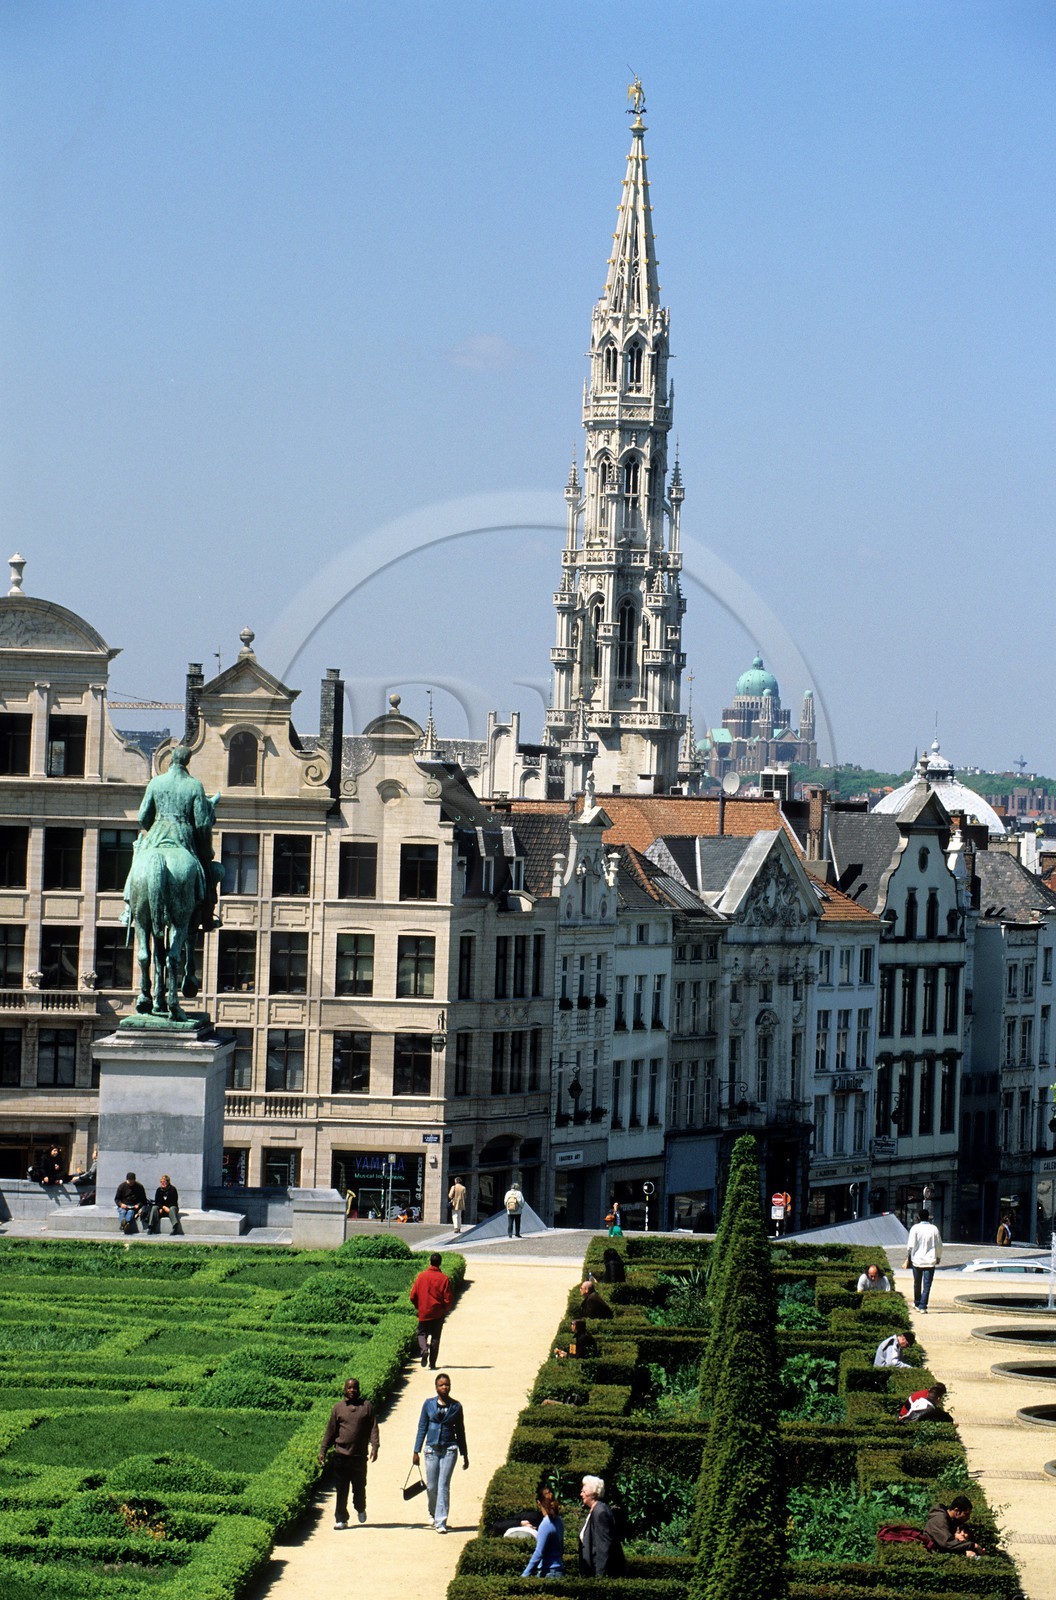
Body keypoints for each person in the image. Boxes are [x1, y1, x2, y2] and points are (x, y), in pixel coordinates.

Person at [318, 1377, 380, 1529]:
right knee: (341, 1488)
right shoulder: (338, 1408)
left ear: (359, 1389)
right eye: (349, 1387)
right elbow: (331, 1431)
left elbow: (373, 1428)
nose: (352, 1390)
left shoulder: (366, 1407)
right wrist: (323, 1450)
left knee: (359, 1487)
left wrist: (375, 1446)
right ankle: (341, 1518)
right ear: (344, 1390)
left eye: (355, 1387)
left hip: (359, 1456)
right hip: (341, 1455)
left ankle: (360, 1507)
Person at [412, 1372, 468, 1534]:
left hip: (449, 1449)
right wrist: (416, 1450)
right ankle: (433, 1512)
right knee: (432, 1486)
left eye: (447, 1384)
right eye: (441, 1385)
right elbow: (422, 1427)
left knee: (443, 1485)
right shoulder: (428, 1404)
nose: (445, 1387)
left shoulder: (456, 1406)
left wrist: (465, 1453)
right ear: (436, 1387)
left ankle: (441, 1521)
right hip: (431, 1449)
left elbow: (460, 1431)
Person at [409, 1251, 453, 1369]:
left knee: (421, 1333)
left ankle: (424, 1349)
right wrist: (445, 1309)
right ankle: (432, 1363)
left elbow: (413, 1295)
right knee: (435, 1337)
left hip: (424, 1311)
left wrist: (419, 1306)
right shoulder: (443, 1278)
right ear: (440, 1263)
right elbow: (448, 1298)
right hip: (437, 1313)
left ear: (430, 1262)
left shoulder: (421, 1276)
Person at [577, 1475, 625, 1576]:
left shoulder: (600, 1512)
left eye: (584, 1492)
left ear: (593, 1494)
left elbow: (603, 1546)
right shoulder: (595, 1510)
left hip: (599, 1572)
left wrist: (600, 1576)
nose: (581, 1494)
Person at [522, 1483, 565, 1578]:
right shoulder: (559, 1520)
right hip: (559, 1570)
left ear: (539, 1503)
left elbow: (539, 1552)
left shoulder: (546, 1524)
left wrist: (524, 1575)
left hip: (548, 1572)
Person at [905, 1210, 943, 1313]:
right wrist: (938, 1256)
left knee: (917, 1283)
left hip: (917, 1259)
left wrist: (908, 1255)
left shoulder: (915, 1228)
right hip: (930, 1260)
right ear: (929, 1217)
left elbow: (910, 1245)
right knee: (927, 1284)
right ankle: (923, 1306)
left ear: (918, 1217)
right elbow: (939, 1244)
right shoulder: (934, 1229)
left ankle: (917, 1302)